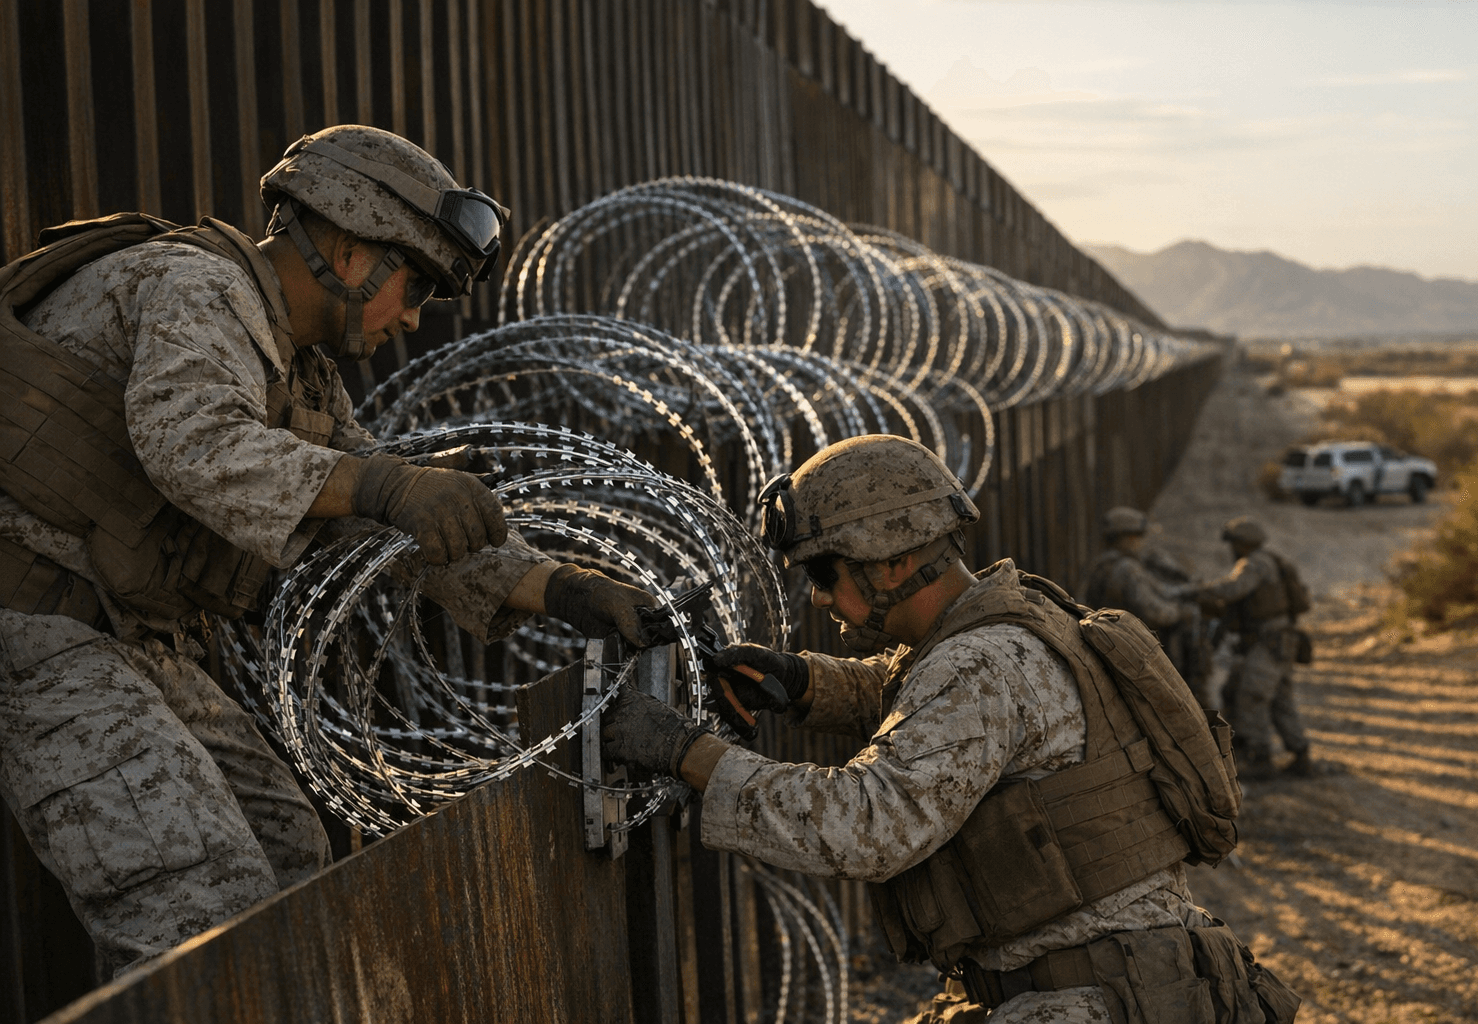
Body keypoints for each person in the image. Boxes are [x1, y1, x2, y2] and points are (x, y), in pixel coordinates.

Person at [0, 125, 654, 975]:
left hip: (120, 640)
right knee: (197, 910)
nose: (413, 316)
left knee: (286, 855)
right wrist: (384, 486)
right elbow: (195, 445)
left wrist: (567, 591)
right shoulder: (195, 286)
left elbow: (392, 521)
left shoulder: (297, 368)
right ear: (349, 250)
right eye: (413, 284)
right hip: (35, 631)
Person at [601, 435, 1294, 1023]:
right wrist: (802, 681)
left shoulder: (978, 665)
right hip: (1126, 982)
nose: (814, 595)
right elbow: (917, 693)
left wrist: (689, 753)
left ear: (894, 561)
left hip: (1085, 998)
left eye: (824, 570)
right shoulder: (1016, 615)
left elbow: (868, 825)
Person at [1176, 517, 1311, 781]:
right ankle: (1300, 753)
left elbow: (1234, 588)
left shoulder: (1254, 563)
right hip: (1279, 642)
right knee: (1280, 700)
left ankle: (1259, 759)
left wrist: (1196, 591)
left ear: (1241, 544)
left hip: (1268, 642)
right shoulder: (1269, 560)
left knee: (1253, 696)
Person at [1083, 506, 1213, 706]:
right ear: (1126, 538)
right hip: (1136, 652)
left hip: (1109, 645)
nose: (1141, 543)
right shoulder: (1128, 569)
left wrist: (1186, 590)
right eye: (1137, 537)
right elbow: (1156, 612)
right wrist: (1182, 611)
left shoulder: (1101, 566)